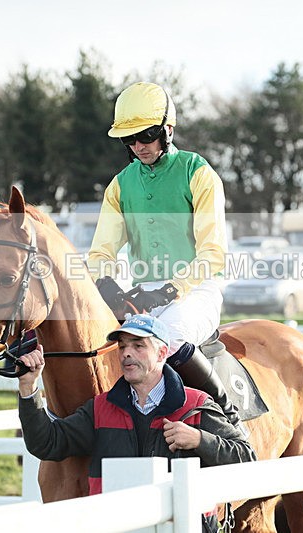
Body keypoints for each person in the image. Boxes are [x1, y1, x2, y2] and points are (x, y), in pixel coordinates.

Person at [87, 81, 243, 432]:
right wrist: (107, 284)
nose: (138, 146)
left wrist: (170, 289)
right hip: (143, 294)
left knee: (164, 339)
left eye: (146, 136)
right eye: (130, 139)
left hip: (196, 291)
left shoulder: (198, 173)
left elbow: (213, 253)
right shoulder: (120, 185)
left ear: (167, 130)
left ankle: (228, 418)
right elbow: (100, 252)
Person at [17, 314, 256, 530]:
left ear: (162, 353)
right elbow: (46, 443)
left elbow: (246, 458)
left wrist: (200, 440)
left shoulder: (196, 403)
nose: (126, 353)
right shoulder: (100, 407)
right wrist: (29, 388)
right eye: (122, 346)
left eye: (138, 345)